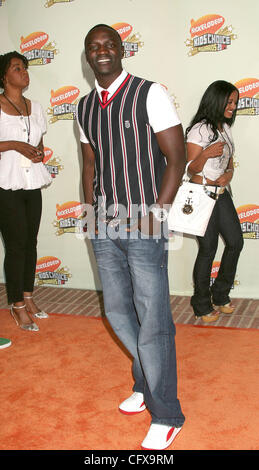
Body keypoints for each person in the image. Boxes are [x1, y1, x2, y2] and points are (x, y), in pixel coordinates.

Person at [77, 24, 186, 450]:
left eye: (109, 45)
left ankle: (167, 413)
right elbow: (90, 166)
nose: (102, 52)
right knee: (119, 313)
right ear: (87, 56)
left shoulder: (149, 93)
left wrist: (157, 213)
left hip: (144, 221)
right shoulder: (84, 107)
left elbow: (175, 158)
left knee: (153, 319)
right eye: (94, 47)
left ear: (121, 50)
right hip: (104, 223)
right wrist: (90, 215)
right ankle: (145, 383)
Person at [0, 51, 52, 332]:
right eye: (17, 67)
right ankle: (16, 304)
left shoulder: (36, 106)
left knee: (30, 242)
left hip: (32, 181)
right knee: (16, 244)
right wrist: (14, 145)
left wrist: (38, 152)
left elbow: (39, 142)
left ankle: (29, 297)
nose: (24, 71)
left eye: (25, 67)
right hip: (5, 183)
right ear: (4, 76)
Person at [186, 80, 243, 323]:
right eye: (229, 102)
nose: (233, 107)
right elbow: (191, 169)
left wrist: (228, 175)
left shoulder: (225, 128)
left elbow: (229, 164)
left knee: (235, 242)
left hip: (221, 193)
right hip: (201, 194)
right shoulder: (199, 129)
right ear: (216, 100)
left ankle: (220, 294)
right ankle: (201, 304)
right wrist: (206, 153)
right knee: (208, 249)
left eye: (236, 103)